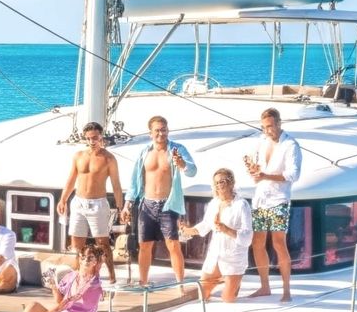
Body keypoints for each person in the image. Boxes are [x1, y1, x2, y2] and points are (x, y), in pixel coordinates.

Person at [123, 116, 196, 287]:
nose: (161, 133)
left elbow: (192, 171)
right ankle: (143, 283)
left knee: (173, 245)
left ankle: (180, 284)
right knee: (145, 246)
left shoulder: (177, 150)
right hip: (147, 205)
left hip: (168, 204)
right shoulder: (144, 153)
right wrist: (128, 204)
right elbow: (134, 180)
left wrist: (182, 164)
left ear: (168, 130)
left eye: (164, 129)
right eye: (157, 130)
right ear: (150, 133)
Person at [245, 107, 302, 302]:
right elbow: (256, 167)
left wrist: (265, 176)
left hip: (278, 200)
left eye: (270, 126)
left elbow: (293, 175)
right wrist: (252, 169)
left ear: (279, 123)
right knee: (257, 243)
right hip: (260, 199)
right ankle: (265, 287)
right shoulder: (261, 142)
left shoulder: (291, 145)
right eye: (264, 127)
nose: (267, 130)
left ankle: (286, 290)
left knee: (279, 243)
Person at [58, 122, 124, 284]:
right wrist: (63, 199)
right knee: (76, 243)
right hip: (78, 203)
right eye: (88, 138)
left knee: (102, 243)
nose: (91, 141)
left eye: (95, 138)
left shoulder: (109, 158)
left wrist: (121, 207)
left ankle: (112, 277)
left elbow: (116, 185)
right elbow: (71, 179)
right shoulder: (78, 156)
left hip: (98, 204)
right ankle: (78, 276)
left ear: (101, 136)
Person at [179, 169, 253, 302]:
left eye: (222, 182)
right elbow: (205, 225)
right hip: (215, 255)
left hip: (233, 258)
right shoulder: (214, 203)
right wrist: (187, 230)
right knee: (203, 293)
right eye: (216, 183)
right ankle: (227, 283)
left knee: (227, 299)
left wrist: (226, 229)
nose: (219, 185)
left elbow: (248, 237)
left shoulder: (242, 205)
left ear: (231, 183)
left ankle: (235, 282)